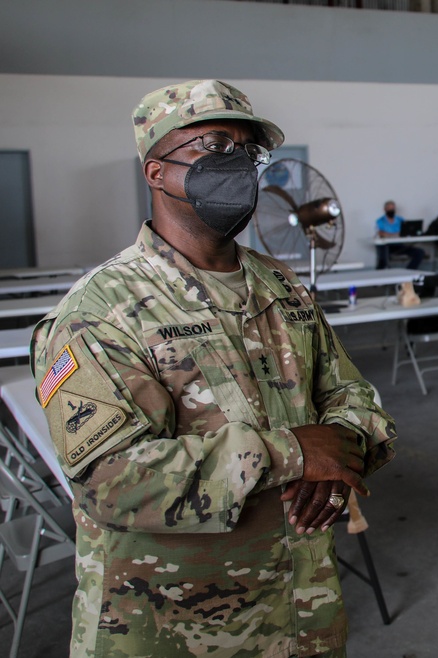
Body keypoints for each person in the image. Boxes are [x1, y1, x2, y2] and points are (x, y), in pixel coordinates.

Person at [31, 79, 397, 658]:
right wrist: (296, 455)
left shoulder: (280, 283)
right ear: (156, 172)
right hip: (171, 631)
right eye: (213, 145)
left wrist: (342, 454)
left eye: (248, 152)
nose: (238, 164)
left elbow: (351, 394)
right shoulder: (97, 312)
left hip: (304, 615)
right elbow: (108, 480)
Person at [375, 200, 424, 269]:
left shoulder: (400, 219)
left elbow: (406, 231)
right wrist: (395, 235)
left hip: (399, 246)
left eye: (393, 208)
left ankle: (408, 272)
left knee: (419, 252)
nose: (392, 210)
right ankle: (380, 274)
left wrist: (392, 235)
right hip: (387, 246)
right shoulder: (380, 220)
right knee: (383, 255)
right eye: (390, 208)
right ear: (385, 209)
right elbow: (381, 233)